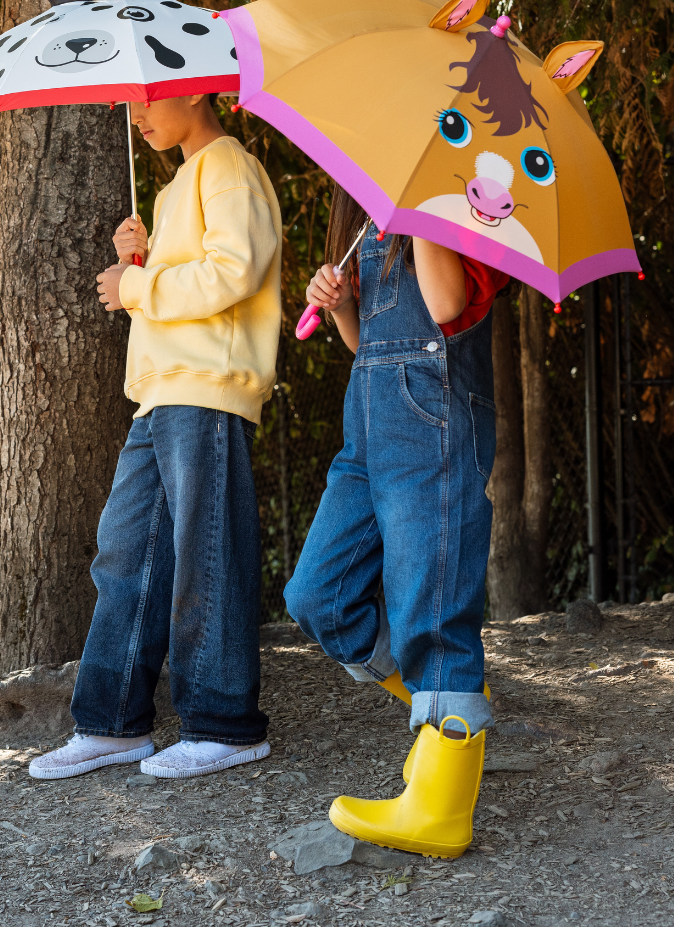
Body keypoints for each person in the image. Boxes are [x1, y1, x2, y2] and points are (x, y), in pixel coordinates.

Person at [29, 92, 282, 782]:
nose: (135, 116)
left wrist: (137, 284)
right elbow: (178, 283)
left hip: (205, 387)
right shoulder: (174, 187)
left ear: (195, 88)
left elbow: (235, 271)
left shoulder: (227, 164)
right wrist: (141, 261)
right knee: (126, 552)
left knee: (206, 551)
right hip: (161, 395)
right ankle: (112, 723)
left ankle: (224, 724)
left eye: (146, 101)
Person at [284, 189, 507, 858]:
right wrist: (338, 299)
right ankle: (449, 716)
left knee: (430, 611)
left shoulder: (461, 197)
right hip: (370, 421)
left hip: (430, 412)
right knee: (318, 596)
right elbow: (363, 342)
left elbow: (442, 307)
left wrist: (423, 208)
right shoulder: (359, 207)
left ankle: (441, 806)